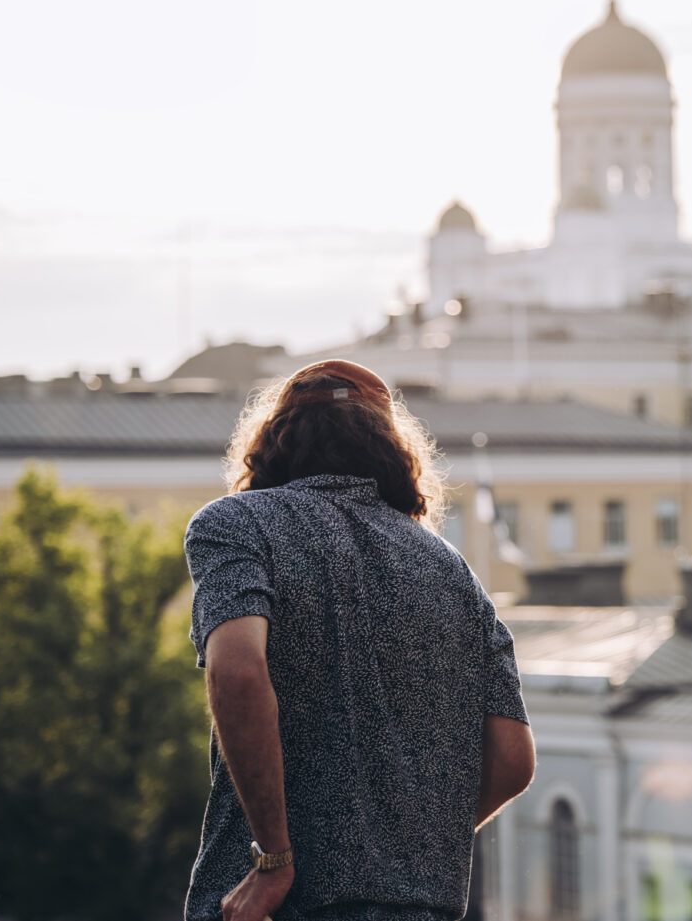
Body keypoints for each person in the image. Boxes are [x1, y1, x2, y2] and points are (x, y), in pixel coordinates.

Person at [183, 359, 535, 921]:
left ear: (274, 443)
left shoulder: (237, 524)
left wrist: (275, 857)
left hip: (281, 905)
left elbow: (238, 672)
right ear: (390, 447)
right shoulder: (451, 569)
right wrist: (407, 849)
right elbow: (513, 758)